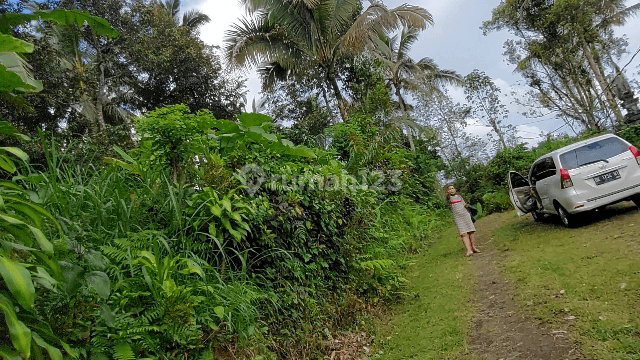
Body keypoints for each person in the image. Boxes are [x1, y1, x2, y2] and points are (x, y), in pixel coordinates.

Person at [445, 184, 480, 256]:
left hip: (466, 215)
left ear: (455, 189)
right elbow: (447, 199)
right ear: (448, 191)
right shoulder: (448, 198)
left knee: (471, 232)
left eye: (453, 188)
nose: (452, 190)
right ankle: (469, 250)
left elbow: (464, 204)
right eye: (450, 189)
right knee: (463, 233)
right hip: (458, 218)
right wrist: (447, 194)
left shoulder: (459, 196)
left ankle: (474, 247)